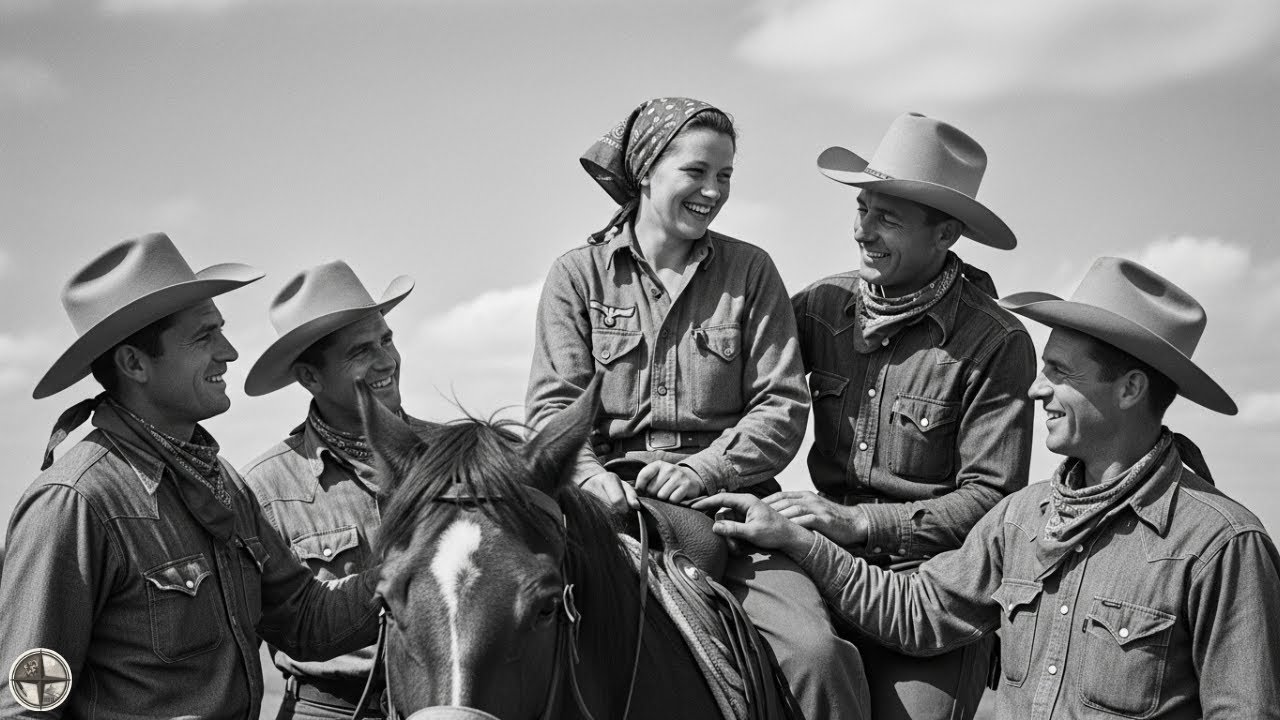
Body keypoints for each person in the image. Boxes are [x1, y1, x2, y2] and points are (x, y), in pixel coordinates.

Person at [697, 257, 1280, 718]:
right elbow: (915, 612)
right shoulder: (1021, 520)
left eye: (1062, 374)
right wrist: (797, 538)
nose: (1036, 390)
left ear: (1129, 389)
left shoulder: (1221, 546)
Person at [526, 97, 868, 718]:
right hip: (605, 509)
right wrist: (594, 481)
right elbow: (553, 412)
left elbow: (782, 405)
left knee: (817, 657)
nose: (713, 190)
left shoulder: (750, 270)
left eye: (726, 176)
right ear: (646, 171)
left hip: (732, 514)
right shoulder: (577, 277)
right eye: (696, 172)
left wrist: (700, 471)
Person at [0, 234, 383, 720]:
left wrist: (418, 567)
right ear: (134, 363)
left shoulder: (221, 482)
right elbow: (28, 706)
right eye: (204, 337)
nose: (229, 352)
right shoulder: (75, 502)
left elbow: (305, 617)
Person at [781, 112, 1035, 719]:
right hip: (817, 562)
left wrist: (861, 526)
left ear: (945, 235)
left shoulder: (997, 342)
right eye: (862, 209)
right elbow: (754, 395)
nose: (863, 231)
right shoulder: (819, 307)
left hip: (930, 593)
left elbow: (990, 500)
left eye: (887, 219)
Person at [241, 260, 433, 720]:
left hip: (445, 702)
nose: (387, 360)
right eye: (360, 351)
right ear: (310, 377)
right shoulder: (264, 490)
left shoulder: (452, 456)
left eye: (387, 339)